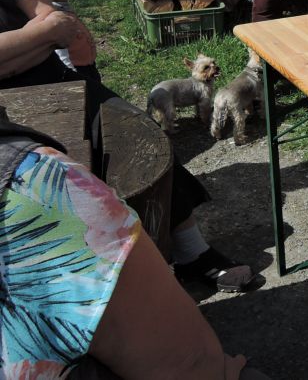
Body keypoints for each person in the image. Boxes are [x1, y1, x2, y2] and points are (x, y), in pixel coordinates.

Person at [0, 0, 254, 294]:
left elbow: (47, 15)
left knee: (140, 137)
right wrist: (41, 35)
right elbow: (48, 26)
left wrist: (38, 37)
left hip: (45, 73)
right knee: (54, 183)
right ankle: (98, 284)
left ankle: (190, 252)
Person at [0, 116, 269, 379]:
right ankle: (187, 256)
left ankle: (191, 252)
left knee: (132, 128)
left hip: (35, 191)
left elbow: (192, 364)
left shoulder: (35, 191)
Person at [23, 0, 100, 81]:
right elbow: (59, 52)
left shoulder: (60, 6)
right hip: (77, 71)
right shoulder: (53, 17)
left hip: (86, 67)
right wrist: (73, 77)